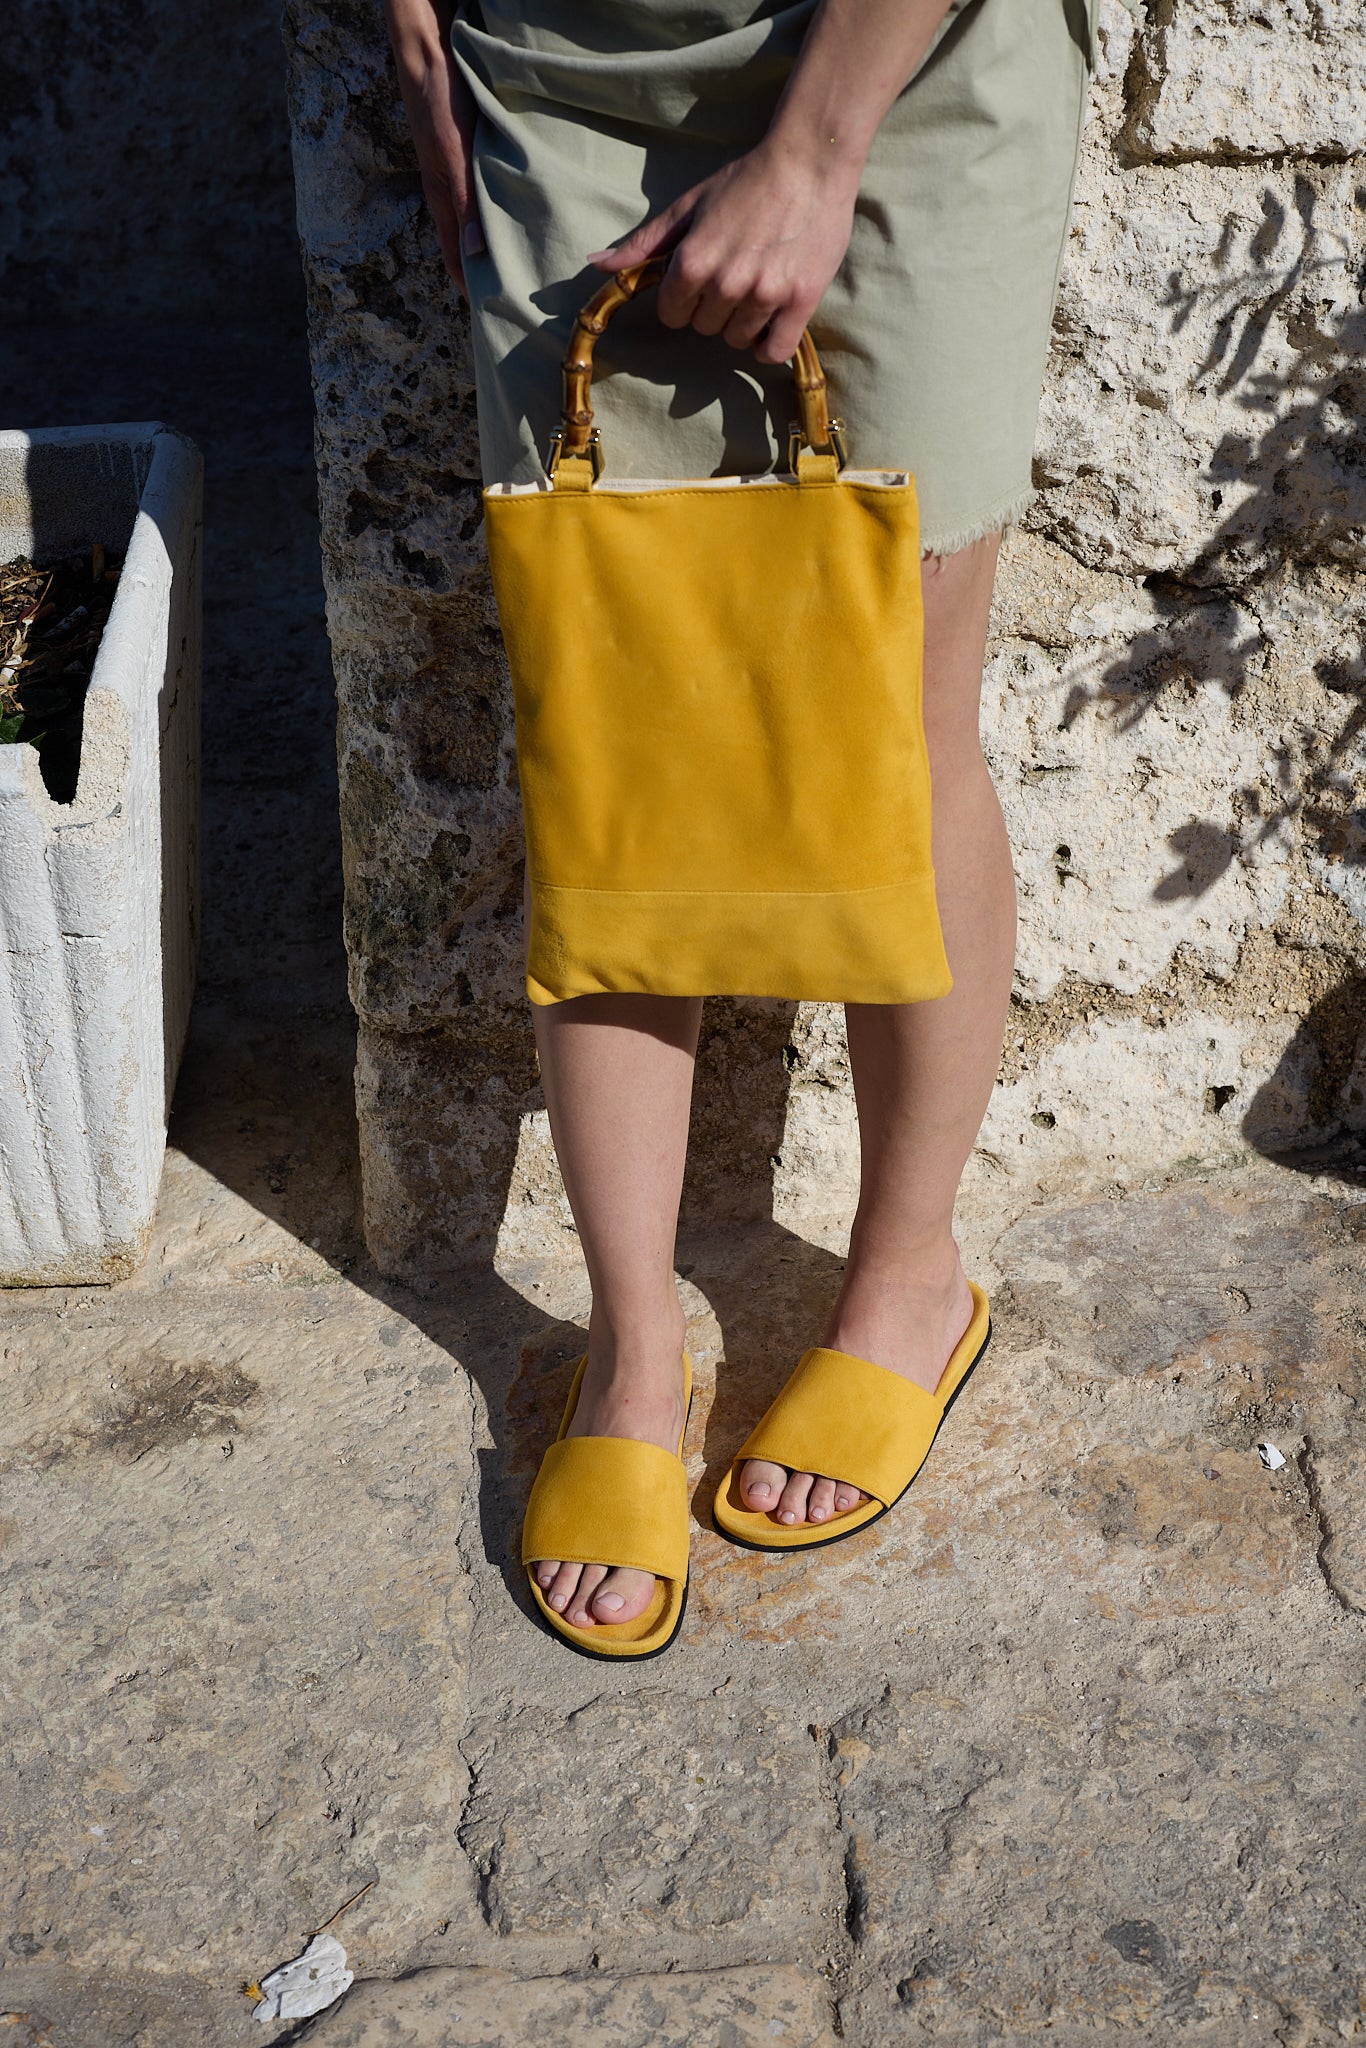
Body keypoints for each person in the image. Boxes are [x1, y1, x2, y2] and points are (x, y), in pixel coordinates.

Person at [383, 0, 1094, 1650]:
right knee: (615, 769)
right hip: (561, 65)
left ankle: (908, 1280)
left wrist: (817, 146)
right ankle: (631, 1358)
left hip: (901, 68)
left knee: (899, 724)